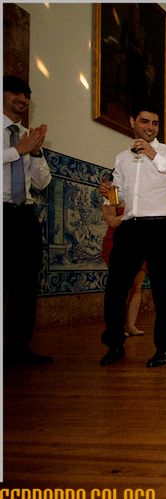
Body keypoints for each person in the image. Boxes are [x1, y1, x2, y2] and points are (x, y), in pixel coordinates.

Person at [98, 104, 166, 367]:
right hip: (130, 228)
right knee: (116, 288)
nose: (150, 127)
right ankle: (115, 345)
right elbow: (121, 197)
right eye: (144, 121)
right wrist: (109, 192)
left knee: (163, 290)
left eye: (154, 123)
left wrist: (155, 156)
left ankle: (165, 348)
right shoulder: (122, 158)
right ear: (132, 122)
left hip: (161, 228)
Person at [3, 75, 53, 365]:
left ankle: (18, 346)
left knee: (25, 281)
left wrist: (34, 152)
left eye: (26, 95)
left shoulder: (25, 134)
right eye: (16, 93)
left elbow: (42, 182)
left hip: (23, 214)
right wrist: (17, 150)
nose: (22, 99)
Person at [100, 201, 146, 337]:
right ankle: (117, 327)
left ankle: (130, 325)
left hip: (140, 240)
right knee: (120, 286)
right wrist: (134, 214)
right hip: (118, 241)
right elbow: (112, 221)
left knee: (137, 286)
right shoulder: (112, 192)